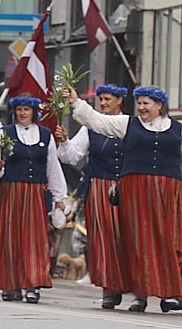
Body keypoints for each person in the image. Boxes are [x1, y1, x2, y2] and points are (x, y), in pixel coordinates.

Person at [68, 85, 182, 313]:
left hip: (169, 190)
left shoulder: (178, 129)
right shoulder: (127, 124)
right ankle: (140, 295)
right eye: (138, 102)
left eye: (146, 103)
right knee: (137, 240)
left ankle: (171, 293)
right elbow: (97, 121)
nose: (141, 107)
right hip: (136, 189)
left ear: (159, 105)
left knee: (169, 239)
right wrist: (76, 102)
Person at [0, 94, 67, 304]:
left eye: (26, 110)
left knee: (35, 239)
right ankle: (10, 284)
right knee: (10, 238)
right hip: (11, 191)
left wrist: (59, 197)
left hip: (36, 193)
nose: (22, 113)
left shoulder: (46, 135)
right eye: (19, 109)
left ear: (34, 112)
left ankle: (32, 284)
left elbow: (52, 167)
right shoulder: (6, 133)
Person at [55, 84, 129, 309]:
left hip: (127, 187)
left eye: (108, 99)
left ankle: (136, 288)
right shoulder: (90, 128)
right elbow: (72, 155)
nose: (104, 103)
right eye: (101, 100)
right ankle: (109, 288)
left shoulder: (130, 125)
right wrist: (65, 141)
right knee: (105, 239)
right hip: (100, 188)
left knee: (127, 238)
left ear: (119, 101)